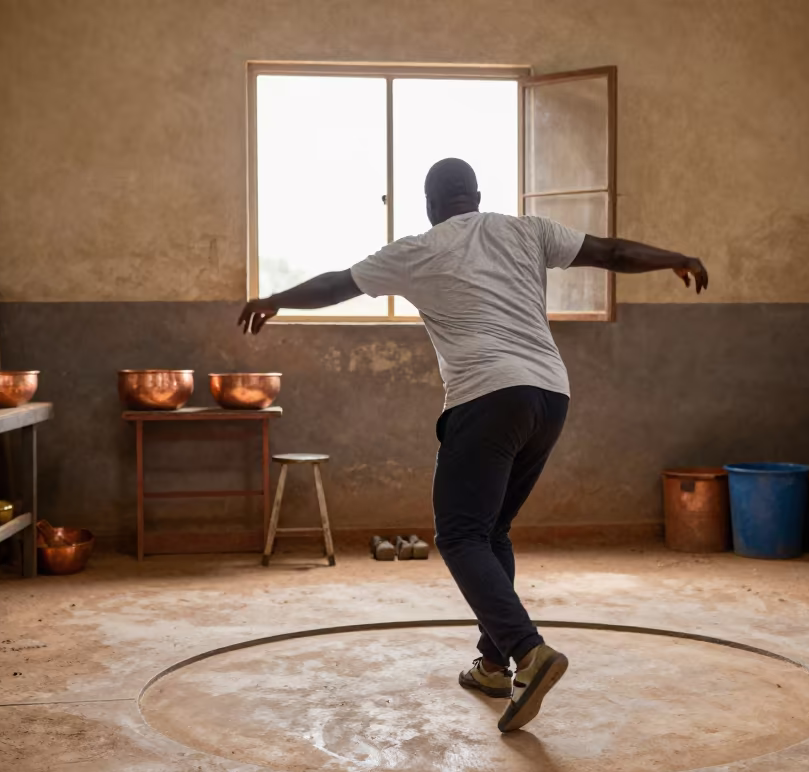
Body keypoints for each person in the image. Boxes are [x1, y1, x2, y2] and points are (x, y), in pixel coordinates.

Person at [238, 158, 707, 732]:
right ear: (478, 195)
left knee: (460, 535)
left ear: (430, 206)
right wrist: (675, 257)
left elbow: (338, 284)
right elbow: (611, 252)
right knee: (492, 531)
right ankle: (491, 665)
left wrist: (275, 299)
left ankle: (528, 653)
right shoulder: (528, 230)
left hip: (487, 397)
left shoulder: (418, 249)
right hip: (550, 397)